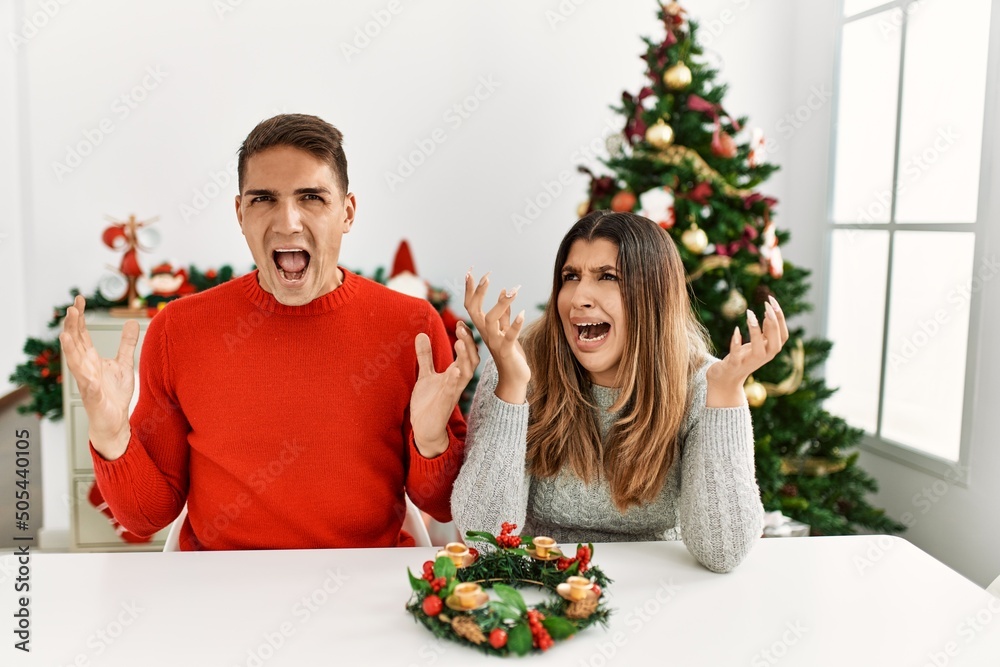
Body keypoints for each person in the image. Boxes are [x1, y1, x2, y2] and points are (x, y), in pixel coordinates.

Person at [60, 114, 478, 550]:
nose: (288, 222)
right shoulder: (178, 330)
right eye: (263, 199)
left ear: (347, 213)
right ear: (240, 213)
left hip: (364, 582)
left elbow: (442, 504)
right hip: (223, 587)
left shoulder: (413, 328)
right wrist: (111, 437)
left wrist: (431, 440)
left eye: (312, 197)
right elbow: (148, 517)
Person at [452, 210, 786, 573]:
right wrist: (512, 389)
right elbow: (481, 538)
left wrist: (724, 396)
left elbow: (723, 551)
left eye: (607, 277)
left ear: (652, 295)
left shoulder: (702, 383)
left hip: (660, 587)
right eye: (570, 276)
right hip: (542, 585)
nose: (579, 296)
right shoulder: (517, 367)